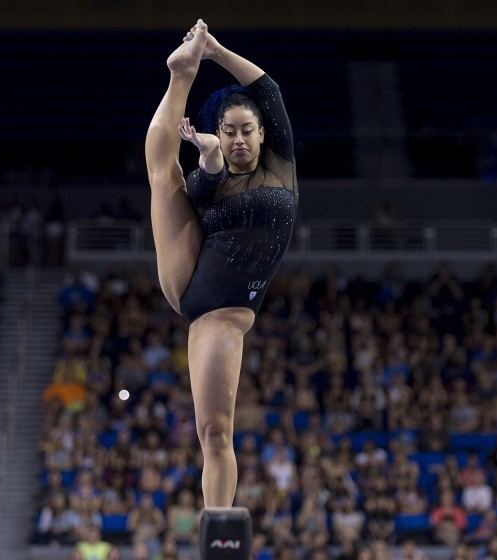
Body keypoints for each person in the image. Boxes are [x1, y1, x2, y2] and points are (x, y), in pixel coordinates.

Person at [145, 19, 296, 508]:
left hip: (226, 312)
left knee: (216, 432)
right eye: (227, 131)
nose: (237, 140)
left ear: (262, 133)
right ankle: (180, 77)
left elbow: (267, 88)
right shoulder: (217, 173)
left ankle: (220, 526)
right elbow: (196, 194)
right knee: (162, 172)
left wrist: (216, 49)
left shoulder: (280, 164)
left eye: (246, 131)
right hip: (199, 288)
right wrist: (209, 162)